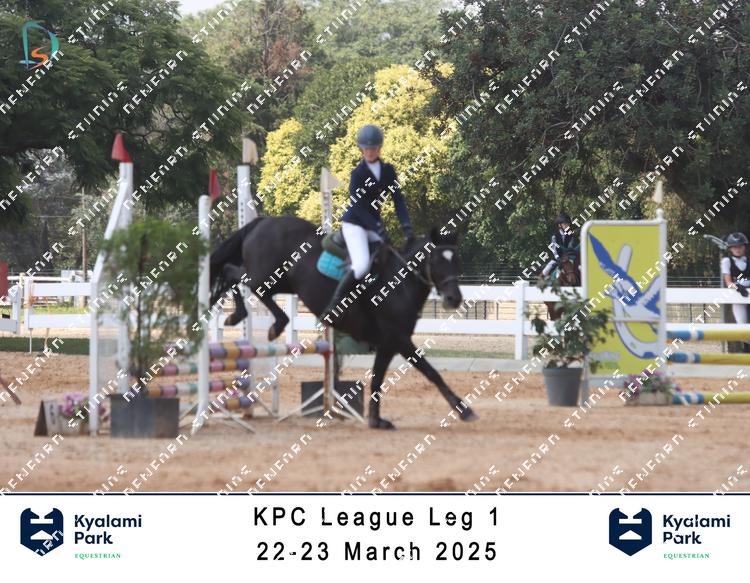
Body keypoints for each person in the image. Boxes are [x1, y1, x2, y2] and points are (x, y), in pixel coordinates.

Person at [320, 124, 414, 323]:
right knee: (362, 266)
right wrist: (379, 228)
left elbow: (398, 200)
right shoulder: (358, 174)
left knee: (389, 258)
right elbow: (359, 207)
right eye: (366, 148)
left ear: (380, 148)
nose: (370, 152)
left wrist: (406, 227)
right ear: (361, 149)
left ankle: (375, 304)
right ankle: (333, 306)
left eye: (374, 148)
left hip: (372, 225)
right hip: (355, 224)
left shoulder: (388, 171)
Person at [721, 232, 750, 333]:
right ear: (730, 248)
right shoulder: (726, 261)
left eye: (740, 246)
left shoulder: (748, 260)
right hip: (738, 294)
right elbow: (729, 283)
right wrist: (738, 287)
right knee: (742, 324)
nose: (737, 249)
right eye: (734, 247)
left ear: (744, 247)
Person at [541, 211, 580, 279]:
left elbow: (571, 247)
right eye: (565, 224)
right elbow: (554, 249)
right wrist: (558, 258)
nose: (567, 225)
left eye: (568, 224)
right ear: (560, 225)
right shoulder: (555, 236)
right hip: (557, 258)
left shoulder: (571, 236)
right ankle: (541, 280)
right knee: (546, 270)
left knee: (580, 268)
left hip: (568, 258)